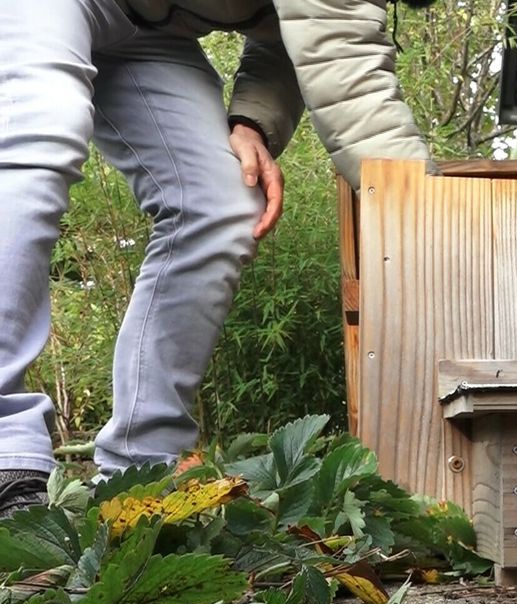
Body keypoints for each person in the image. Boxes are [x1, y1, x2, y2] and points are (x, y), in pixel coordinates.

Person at [0, 0, 437, 516]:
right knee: (42, 132)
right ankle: (8, 454)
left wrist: (251, 121)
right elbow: (350, 79)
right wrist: (438, 228)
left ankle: (139, 471)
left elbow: (295, 32)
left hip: (149, 31)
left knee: (224, 205)